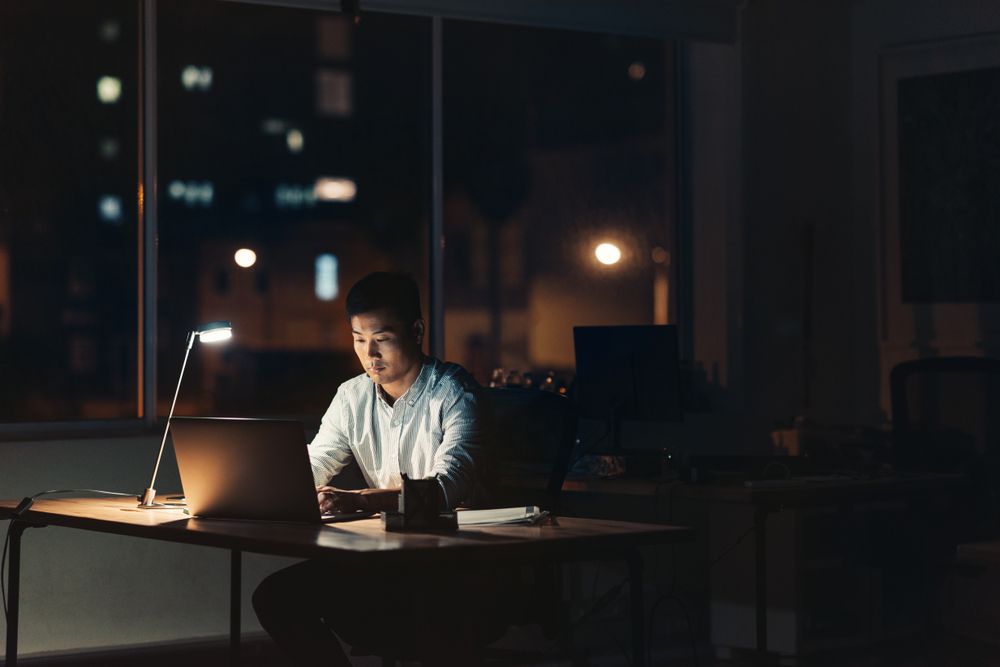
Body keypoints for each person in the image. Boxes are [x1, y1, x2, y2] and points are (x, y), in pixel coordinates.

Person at [252, 271, 486, 666]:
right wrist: (262, 490)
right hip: (385, 555)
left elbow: (448, 488)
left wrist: (360, 499)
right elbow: (318, 460)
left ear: (416, 331)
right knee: (276, 596)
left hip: (451, 561)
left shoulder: (453, 391)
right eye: (359, 340)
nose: (369, 355)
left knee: (391, 609)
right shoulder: (352, 394)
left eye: (382, 339)